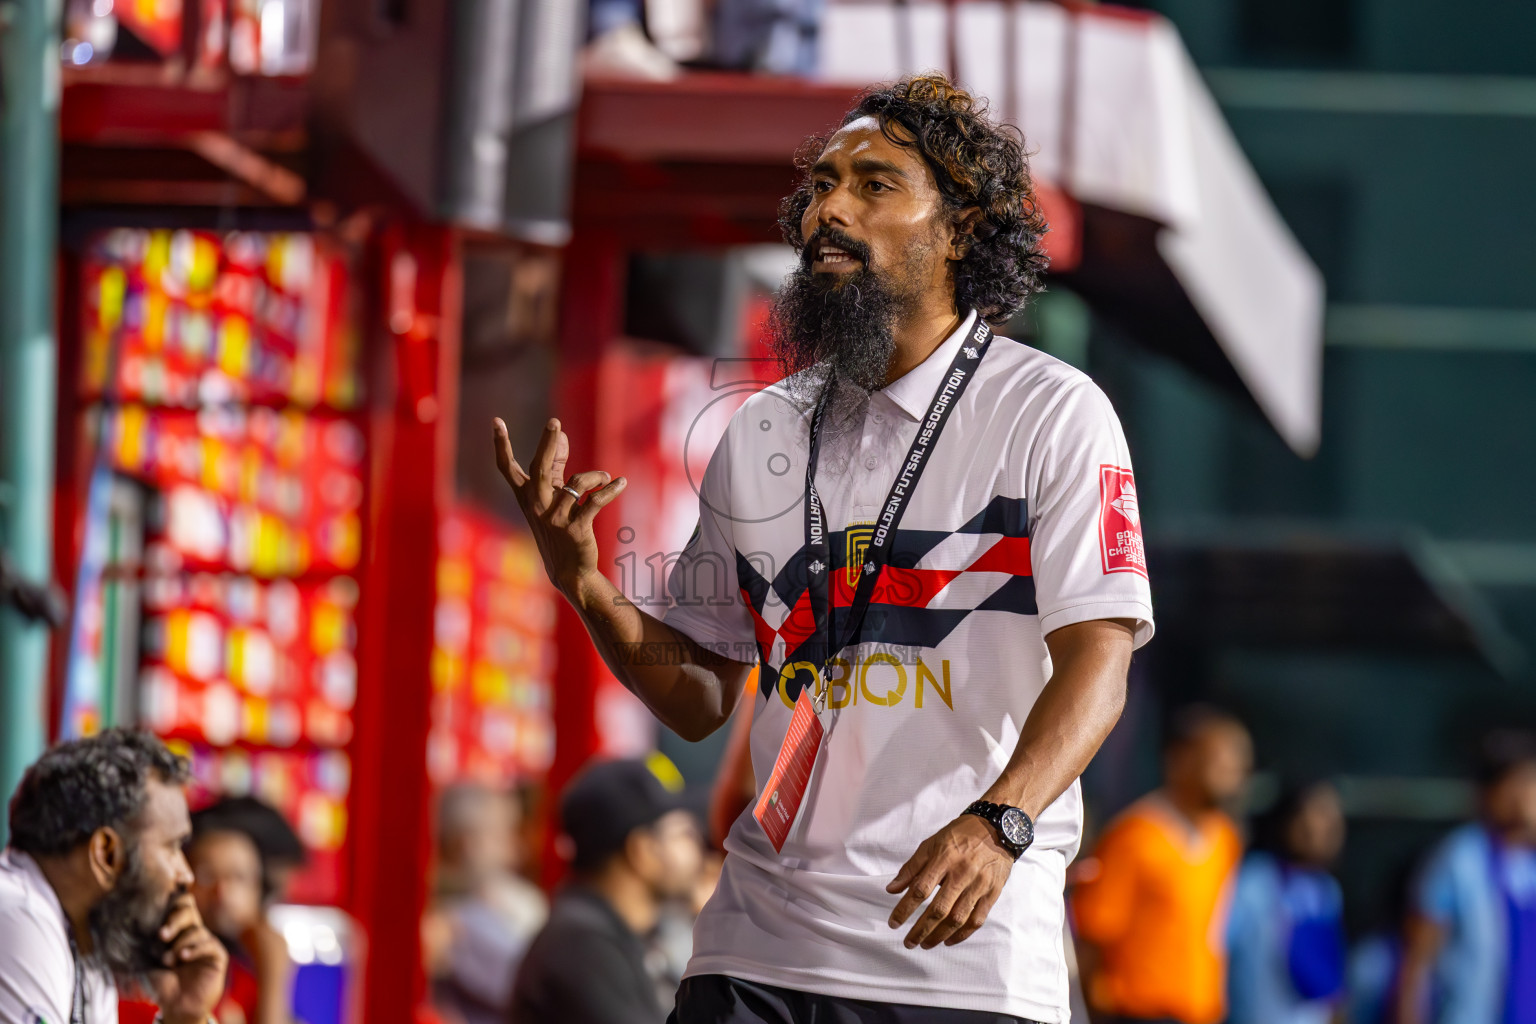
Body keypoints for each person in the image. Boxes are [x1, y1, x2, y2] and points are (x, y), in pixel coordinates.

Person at [494, 72, 1154, 1023]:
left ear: (961, 226)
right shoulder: (762, 429)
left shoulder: (1051, 413)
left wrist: (1002, 821)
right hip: (753, 947)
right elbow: (700, 695)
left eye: (875, 184)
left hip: (959, 961)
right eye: (821, 186)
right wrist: (588, 587)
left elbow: (1100, 663)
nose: (827, 210)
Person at [0, 728, 228, 1024]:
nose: (185, 875)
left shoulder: (85, 943)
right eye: (172, 847)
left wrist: (184, 1015)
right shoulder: (18, 916)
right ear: (106, 855)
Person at [1072, 706, 1252, 1024]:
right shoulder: (1133, 835)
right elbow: (1093, 937)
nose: (1232, 774)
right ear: (1179, 760)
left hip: (1200, 1012)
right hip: (1136, 1013)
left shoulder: (1227, 839)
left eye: (1238, 765)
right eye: (1219, 761)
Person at [507, 759, 704, 1024]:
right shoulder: (581, 947)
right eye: (685, 834)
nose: (699, 849)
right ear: (642, 852)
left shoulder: (623, 931)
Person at [1396, 729, 1536, 1024]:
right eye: (1517, 782)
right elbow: (1417, 961)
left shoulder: (1528, 860)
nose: (1525, 794)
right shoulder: (1460, 858)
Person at [1226, 780, 1348, 1024]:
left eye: (1333, 819)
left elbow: (1330, 984)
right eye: (1317, 814)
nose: (1325, 827)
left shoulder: (1326, 890)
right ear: (1289, 821)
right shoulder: (1254, 880)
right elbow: (1217, 954)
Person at [425, 784, 548, 1024]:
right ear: (467, 844)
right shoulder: (459, 919)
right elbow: (543, 989)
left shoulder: (505, 898)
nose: (515, 849)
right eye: (501, 835)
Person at [180, 798, 302, 1024]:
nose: (222, 894)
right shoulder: (169, 979)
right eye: (207, 876)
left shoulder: (248, 974)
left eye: (238, 878)